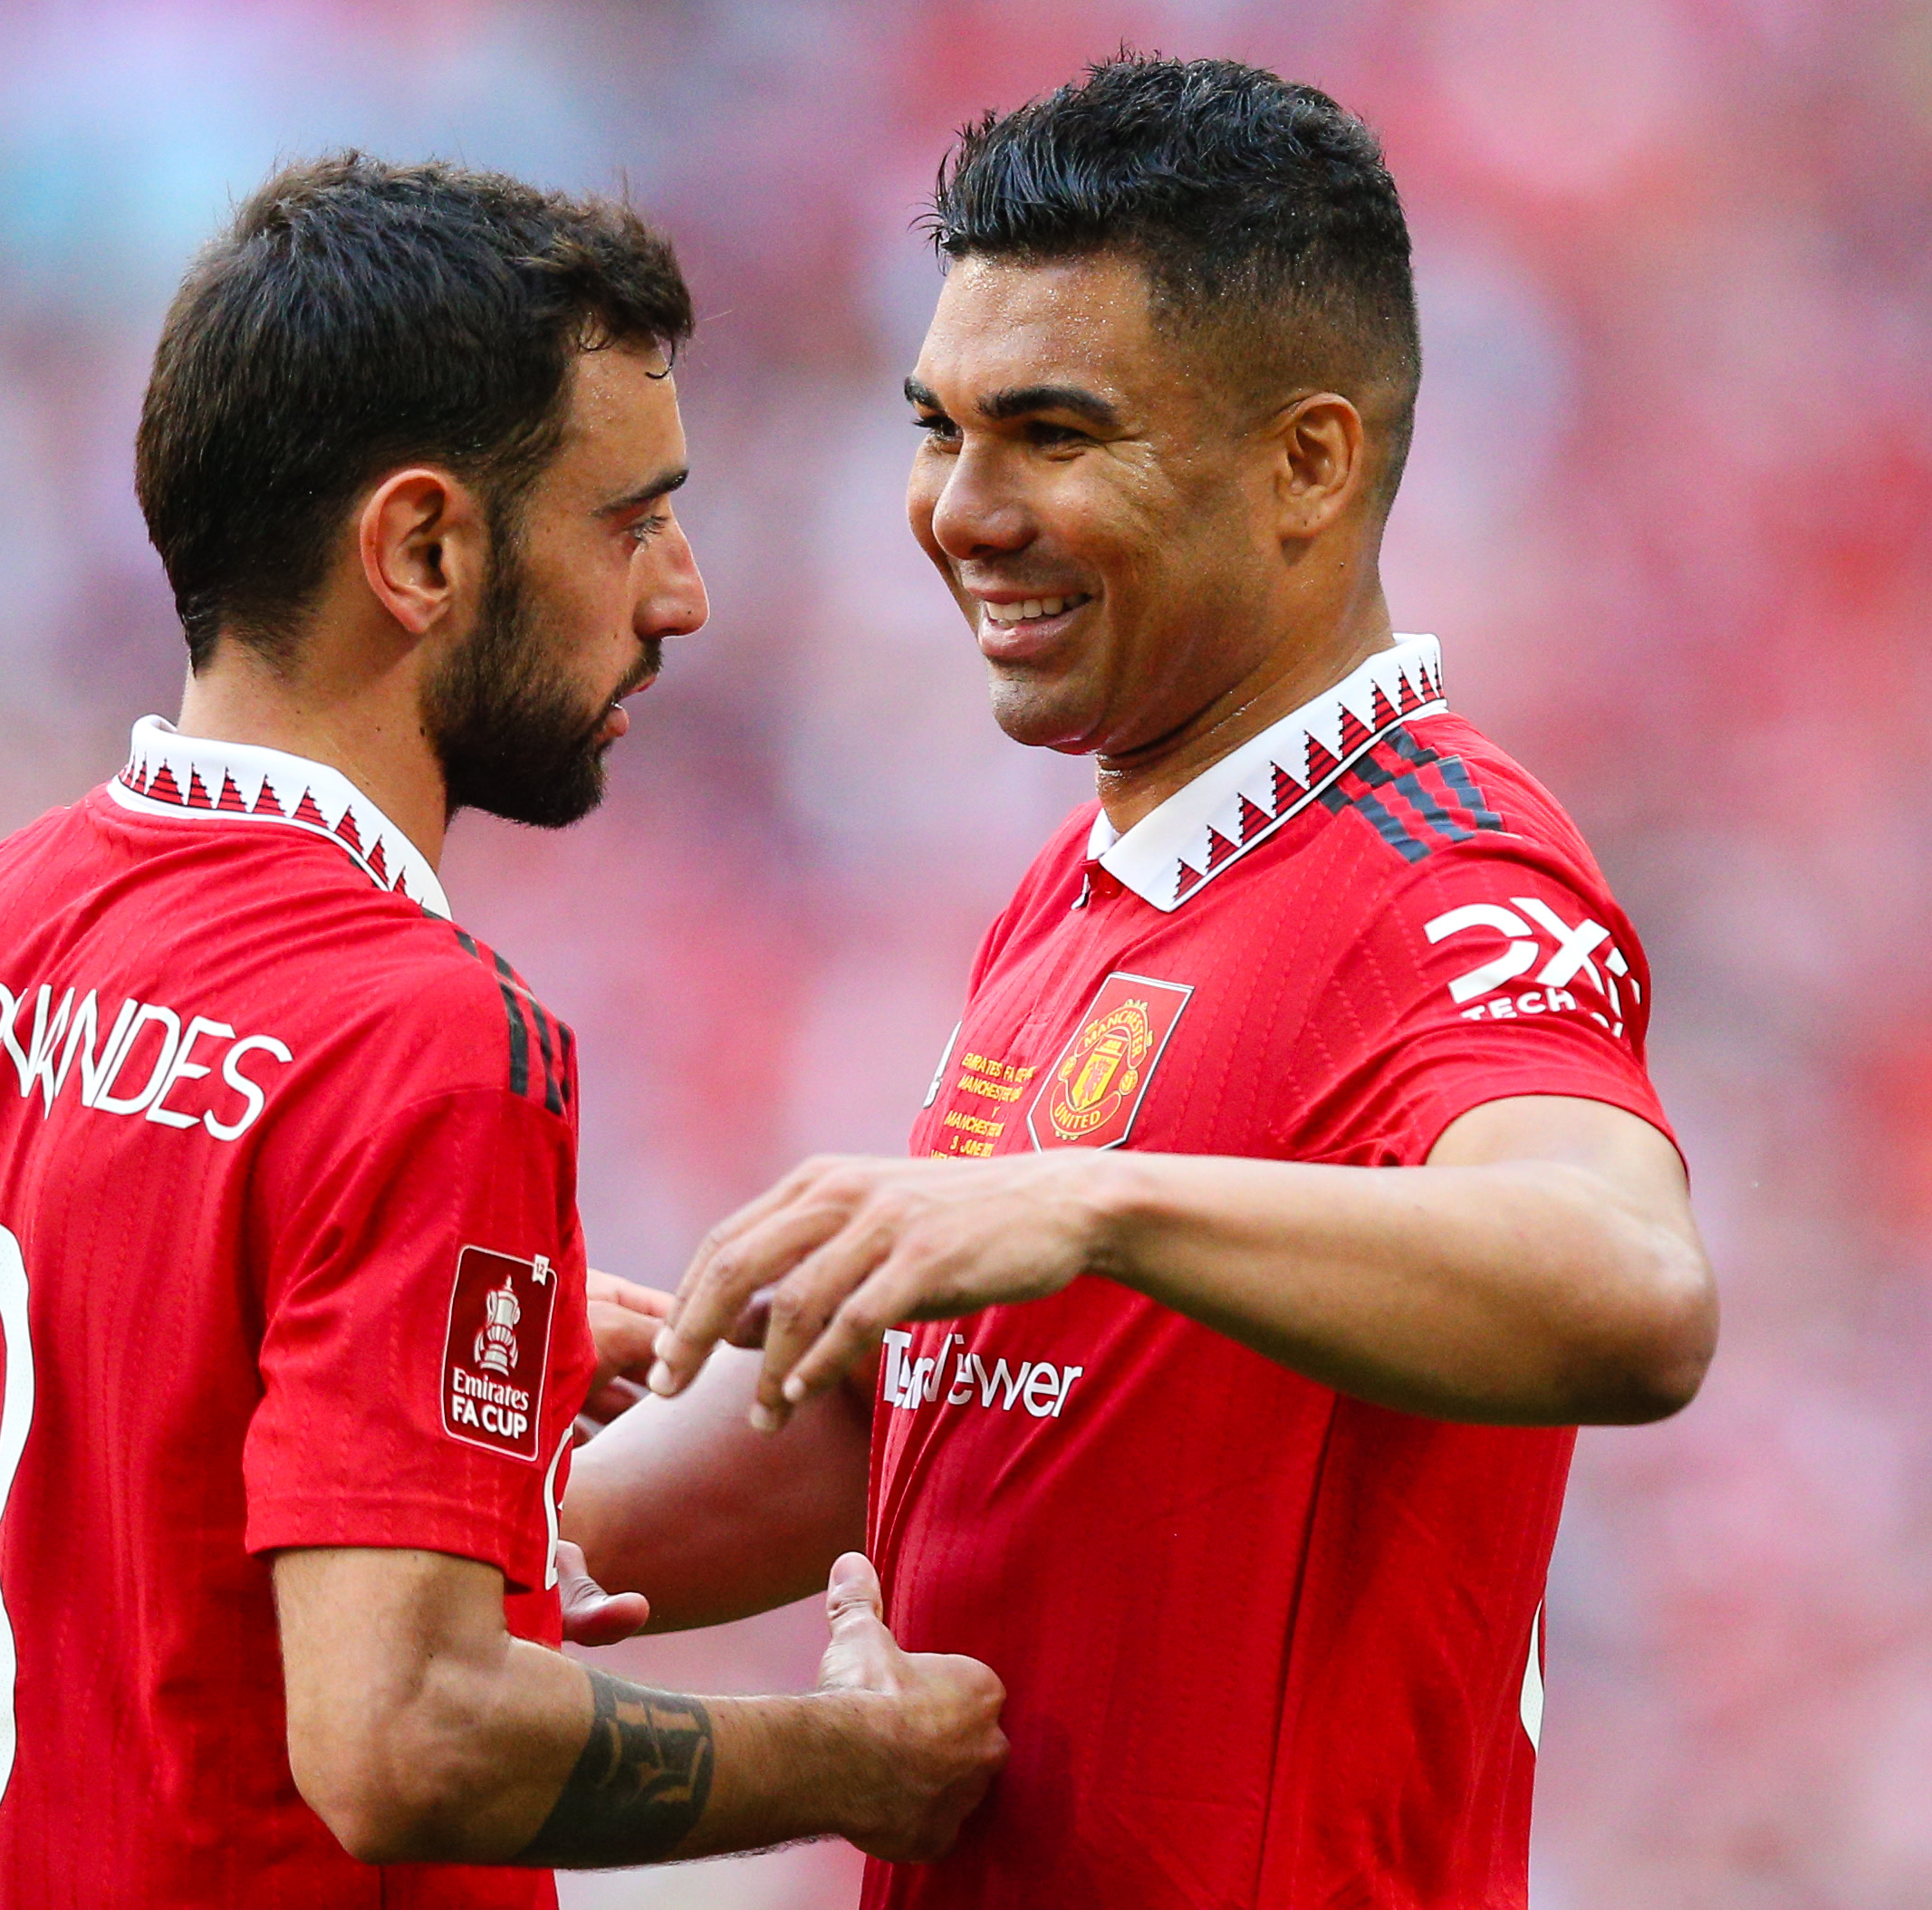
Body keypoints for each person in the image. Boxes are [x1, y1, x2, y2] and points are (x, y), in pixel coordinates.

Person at [567, 57, 1719, 1909]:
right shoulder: (1083, 882)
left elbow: (1634, 1290)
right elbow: (929, 1421)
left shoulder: (1442, 864)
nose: (960, 508)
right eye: (937, 426)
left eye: (1051, 434)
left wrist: (1083, 1198)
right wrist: (471, 1478)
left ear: (1307, 461)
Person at [0, 154, 1006, 1907]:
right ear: (422, 547)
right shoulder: (425, 1032)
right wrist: (853, 1759)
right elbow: (406, 1734)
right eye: (629, 520)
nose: (676, 595)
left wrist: (394, 1386)